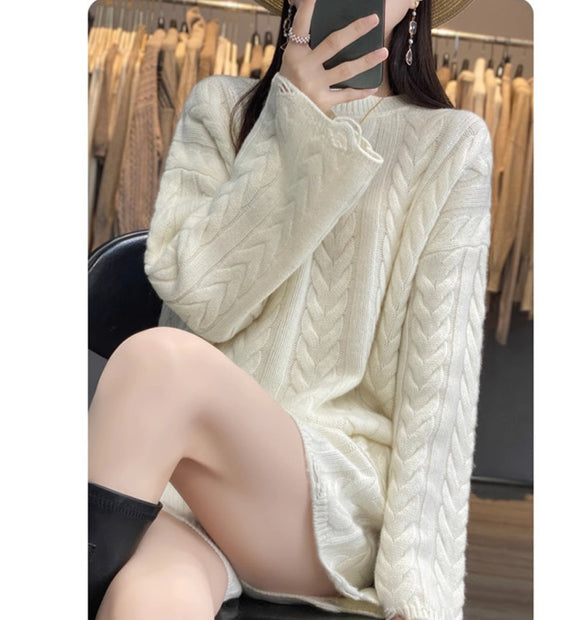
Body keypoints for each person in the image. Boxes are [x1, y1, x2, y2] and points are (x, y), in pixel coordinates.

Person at [88, 0, 491, 619]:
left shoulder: (451, 144)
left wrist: (420, 598)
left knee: (156, 361)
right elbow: (199, 301)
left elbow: (439, 391)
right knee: (148, 600)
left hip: (324, 500)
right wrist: (290, 121)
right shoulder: (218, 108)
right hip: (179, 482)